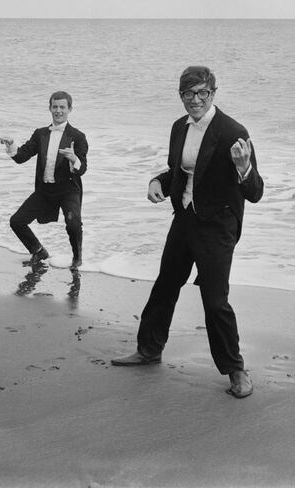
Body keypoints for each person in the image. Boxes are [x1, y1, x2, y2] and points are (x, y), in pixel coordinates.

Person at [111, 66, 264, 399]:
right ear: (180, 95)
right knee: (166, 284)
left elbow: (255, 192)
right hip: (184, 219)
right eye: (188, 94)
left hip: (217, 227)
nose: (195, 100)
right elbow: (178, 172)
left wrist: (244, 168)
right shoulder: (179, 127)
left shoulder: (231, 131)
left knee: (214, 300)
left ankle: (236, 369)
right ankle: (149, 349)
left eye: (202, 93)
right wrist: (158, 183)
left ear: (213, 93)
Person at [0, 91, 88, 269]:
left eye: (62, 107)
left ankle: (77, 257)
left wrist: (73, 159)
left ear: (70, 109)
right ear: (49, 108)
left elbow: (83, 168)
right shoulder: (40, 134)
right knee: (16, 221)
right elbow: (23, 156)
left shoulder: (78, 137)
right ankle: (39, 251)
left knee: (73, 223)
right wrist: (11, 146)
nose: (58, 111)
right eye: (55, 107)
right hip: (45, 190)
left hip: (68, 189)